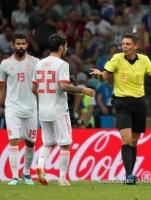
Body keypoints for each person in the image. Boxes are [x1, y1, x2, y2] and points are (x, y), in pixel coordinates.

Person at [90, 33, 151, 184]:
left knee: (133, 141)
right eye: (123, 44)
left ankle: (131, 174)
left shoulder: (144, 60)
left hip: (139, 103)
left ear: (136, 46)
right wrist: (100, 75)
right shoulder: (117, 58)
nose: (124, 46)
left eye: (127, 44)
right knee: (126, 139)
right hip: (122, 102)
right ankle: (129, 175)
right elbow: (106, 76)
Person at [32, 33, 95, 186]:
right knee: (65, 144)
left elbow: (33, 88)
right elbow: (63, 86)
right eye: (66, 46)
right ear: (60, 47)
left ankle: (40, 166)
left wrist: (45, 98)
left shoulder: (39, 63)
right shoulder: (62, 64)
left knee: (48, 143)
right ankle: (62, 179)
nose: (66, 48)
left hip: (43, 111)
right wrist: (82, 89)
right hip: (59, 110)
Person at [0, 33, 39, 185]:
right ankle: (15, 176)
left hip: (30, 107)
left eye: (23, 43)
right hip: (12, 107)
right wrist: (1, 104)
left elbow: (39, 86)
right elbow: (1, 88)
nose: (21, 46)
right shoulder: (4, 64)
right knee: (13, 140)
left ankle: (27, 173)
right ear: (13, 45)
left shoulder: (36, 62)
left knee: (30, 143)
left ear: (27, 45)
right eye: (18, 44)